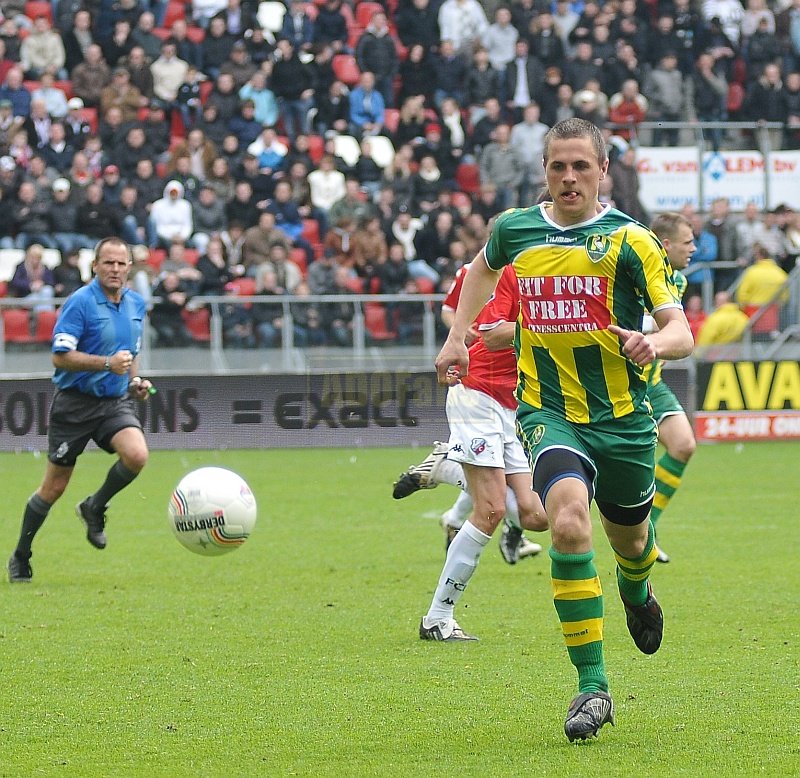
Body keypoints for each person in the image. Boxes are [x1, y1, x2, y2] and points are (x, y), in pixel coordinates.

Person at [434, 118, 693, 742]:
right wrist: (455, 339)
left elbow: (680, 332)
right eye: (558, 166)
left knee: (629, 542)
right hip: (548, 413)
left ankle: (636, 589)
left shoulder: (632, 242)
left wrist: (651, 341)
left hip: (624, 419)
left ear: (603, 170)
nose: (569, 177)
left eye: (581, 166)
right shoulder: (516, 229)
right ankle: (592, 687)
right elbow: (478, 271)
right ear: (543, 171)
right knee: (569, 519)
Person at [7, 237, 155, 583]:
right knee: (53, 488)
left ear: (129, 267)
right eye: (109, 263)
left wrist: (135, 381)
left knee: (136, 455)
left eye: (121, 263)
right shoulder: (80, 303)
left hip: (114, 402)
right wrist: (106, 363)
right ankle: (21, 555)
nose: (115, 269)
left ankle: (94, 506)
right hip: (74, 404)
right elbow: (60, 356)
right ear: (95, 266)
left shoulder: (136, 304)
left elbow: (129, 353)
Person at [393, 260, 546, 567]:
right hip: (479, 387)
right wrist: (460, 335)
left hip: (517, 397)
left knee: (538, 516)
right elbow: (456, 313)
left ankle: (449, 475)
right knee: (492, 498)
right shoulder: (476, 271)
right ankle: (440, 610)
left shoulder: (546, 271)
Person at [643, 212, 698, 564]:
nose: (693, 248)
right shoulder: (639, 268)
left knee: (683, 445)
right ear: (665, 244)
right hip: (622, 384)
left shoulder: (677, 280)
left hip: (653, 382)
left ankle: (649, 530)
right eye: (687, 241)